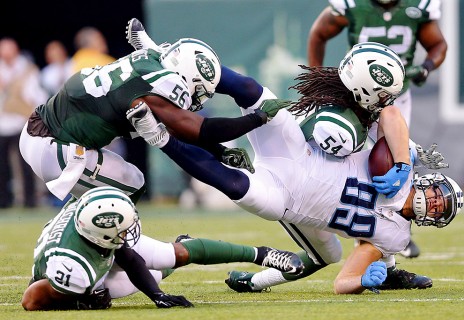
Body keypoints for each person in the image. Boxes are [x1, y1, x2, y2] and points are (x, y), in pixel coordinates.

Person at [127, 44, 463, 295]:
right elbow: (389, 112)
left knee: (231, 185)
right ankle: (168, 60)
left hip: (290, 201)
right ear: (431, 181)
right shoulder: (393, 162)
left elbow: (341, 283)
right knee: (250, 91)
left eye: (440, 209)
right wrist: (403, 163)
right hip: (298, 153)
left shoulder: (396, 236)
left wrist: (361, 281)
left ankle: (156, 136)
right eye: (439, 196)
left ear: (435, 221)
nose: (435, 204)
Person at [19, 25, 287, 205]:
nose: (197, 98)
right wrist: (257, 118)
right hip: (56, 145)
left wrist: (218, 152)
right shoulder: (158, 89)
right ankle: (89, 257)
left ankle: (77, 244)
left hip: (42, 129)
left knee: (114, 190)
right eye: (199, 90)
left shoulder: (151, 60)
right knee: (129, 189)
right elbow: (202, 129)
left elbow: (179, 128)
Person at [307, 0, 448, 258]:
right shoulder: (352, 4)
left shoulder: (419, 6)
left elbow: (438, 44)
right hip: (359, 94)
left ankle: (389, 239)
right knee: (349, 158)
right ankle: (345, 225)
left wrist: (426, 68)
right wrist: (317, 80)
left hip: (396, 96)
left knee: (394, 161)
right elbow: (318, 34)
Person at [21, 186, 304, 311]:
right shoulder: (75, 271)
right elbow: (30, 300)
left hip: (92, 247)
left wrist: (157, 297)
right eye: (120, 231)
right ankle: (173, 258)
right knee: (153, 273)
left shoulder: (94, 210)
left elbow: (128, 256)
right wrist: (78, 301)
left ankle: (262, 254)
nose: (128, 232)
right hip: (80, 276)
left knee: (172, 255)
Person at [0, 37, 49, 208]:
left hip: (22, 121)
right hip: (2, 123)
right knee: (3, 165)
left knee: (26, 163)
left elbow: (36, 95)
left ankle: (30, 200)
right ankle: (4, 201)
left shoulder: (27, 69)